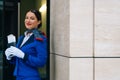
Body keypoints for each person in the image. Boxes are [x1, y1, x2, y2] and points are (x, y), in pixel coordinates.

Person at [5, 9, 47, 80]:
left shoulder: (40, 38)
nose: (28, 20)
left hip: (30, 77)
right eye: (26, 18)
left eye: (32, 18)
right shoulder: (22, 38)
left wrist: (24, 55)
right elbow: (18, 60)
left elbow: (41, 62)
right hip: (18, 76)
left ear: (39, 22)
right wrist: (9, 56)